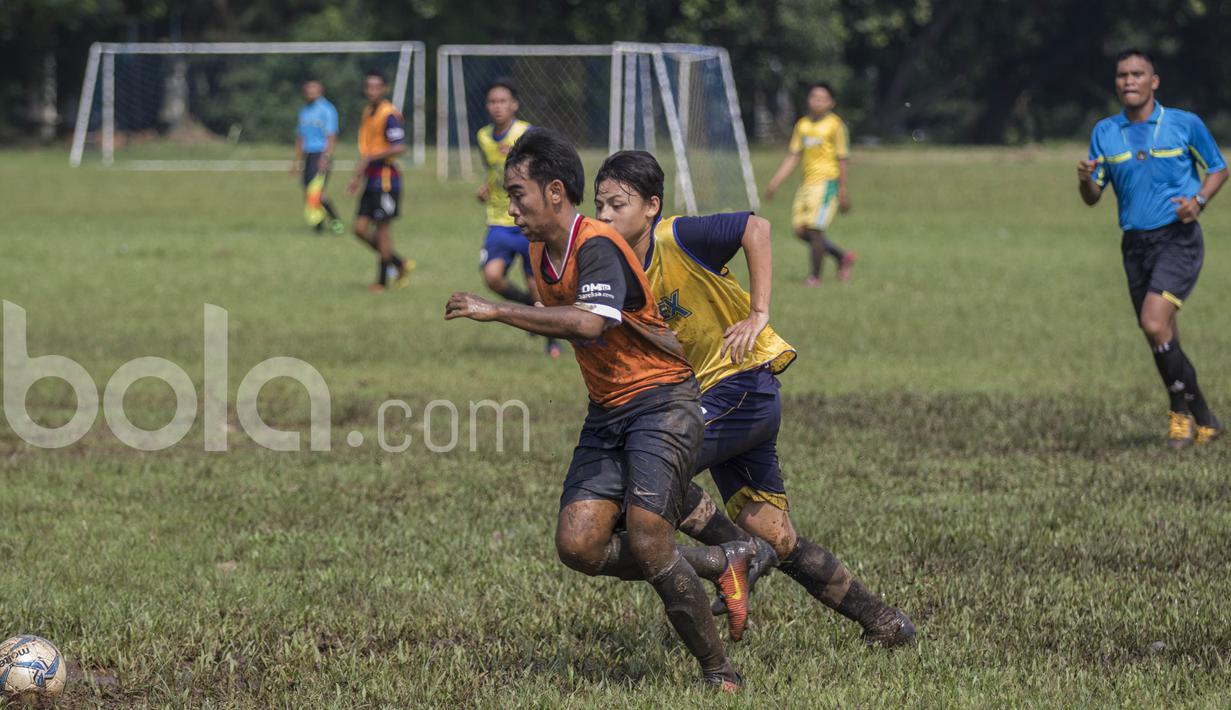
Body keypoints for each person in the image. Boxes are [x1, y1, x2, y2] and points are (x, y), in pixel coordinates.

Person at [446, 128, 765, 691]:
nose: (510, 207)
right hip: (609, 411)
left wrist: (496, 310)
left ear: (554, 192)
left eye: (517, 194)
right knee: (578, 545)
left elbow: (590, 323)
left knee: (648, 538)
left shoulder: (597, 244)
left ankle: (720, 674)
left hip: (663, 401)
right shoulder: (539, 250)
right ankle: (724, 559)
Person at [593, 150, 917, 649]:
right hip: (710, 401)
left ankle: (733, 556)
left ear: (652, 206)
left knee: (651, 471)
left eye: (618, 204)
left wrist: (759, 312)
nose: (606, 216)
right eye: (599, 205)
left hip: (741, 385)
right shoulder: (615, 267)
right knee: (777, 538)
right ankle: (884, 622)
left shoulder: (677, 237)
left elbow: (757, 228)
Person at [1078, 49, 1227, 448]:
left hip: (1178, 239)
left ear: (1154, 81)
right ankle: (1206, 420)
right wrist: (1086, 179)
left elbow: (1218, 168)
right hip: (1135, 245)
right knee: (1162, 334)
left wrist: (1199, 201)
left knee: (1153, 323)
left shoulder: (1183, 124)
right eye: (1122, 75)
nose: (1129, 81)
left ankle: (1179, 412)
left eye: (1137, 74)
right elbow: (1092, 197)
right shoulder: (1105, 132)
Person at [474, 78, 560, 357]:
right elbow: (493, 170)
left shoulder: (527, 134)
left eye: (502, 101)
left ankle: (552, 341)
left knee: (537, 286)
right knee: (492, 276)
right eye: (492, 101)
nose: (497, 107)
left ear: (514, 105)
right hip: (498, 219)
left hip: (528, 220)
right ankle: (527, 310)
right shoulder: (483, 137)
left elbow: (544, 168)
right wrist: (486, 188)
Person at [764, 82, 856, 286]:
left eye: (823, 99)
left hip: (827, 183)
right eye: (814, 97)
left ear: (831, 103)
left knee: (815, 230)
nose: (817, 102)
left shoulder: (835, 126)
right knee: (800, 230)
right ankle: (842, 257)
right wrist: (774, 183)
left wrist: (842, 190)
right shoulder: (802, 125)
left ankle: (815, 277)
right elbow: (793, 156)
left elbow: (842, 158)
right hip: (806, 185)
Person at [347, 71, 413, 293]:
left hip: (386, 180)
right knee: (359, 229)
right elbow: (368, 149)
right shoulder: (368, 112)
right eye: (369, 87)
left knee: (383, 230)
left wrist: (370, 158)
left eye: (377, 87)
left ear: (385, 89)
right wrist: (357, 177)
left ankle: (382, 281)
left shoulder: (389, 114)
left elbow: (399, 146)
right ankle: (398, 262)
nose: (372, 91)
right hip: (371, 178)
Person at [291, 79, 344, 234]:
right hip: (308, 154)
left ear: (321, 91)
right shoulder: (304, 111)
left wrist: (326, 157)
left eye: (314, 89)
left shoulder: (327, 109)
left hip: (321, 153)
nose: (311, 92)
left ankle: (335, 221)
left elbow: (331, 135)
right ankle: (318, 225)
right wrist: (296, 161)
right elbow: (300, 137)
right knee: (308, 191)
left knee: (317, 192)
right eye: (308, 89)